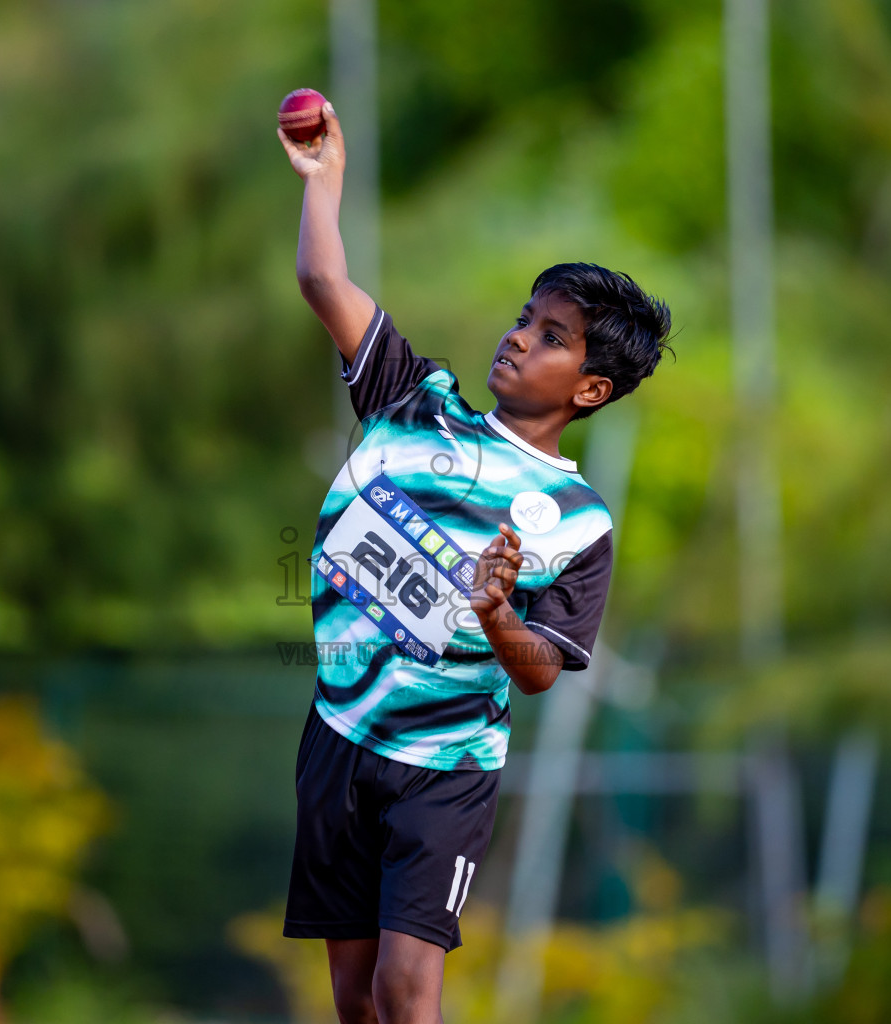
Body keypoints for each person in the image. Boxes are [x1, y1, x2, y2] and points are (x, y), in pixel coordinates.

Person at [276, 99, 672, 1024]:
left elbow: (541, 677)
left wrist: (497, 616)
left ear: (590, 387)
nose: (520, 336)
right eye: (525, 318)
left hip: (443, 767)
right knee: (353, 999)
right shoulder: (414, 399)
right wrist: (324, 178)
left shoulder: (577, 521)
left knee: (407, 990)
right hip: (338, 731)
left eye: (551, 336)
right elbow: (322, 279)